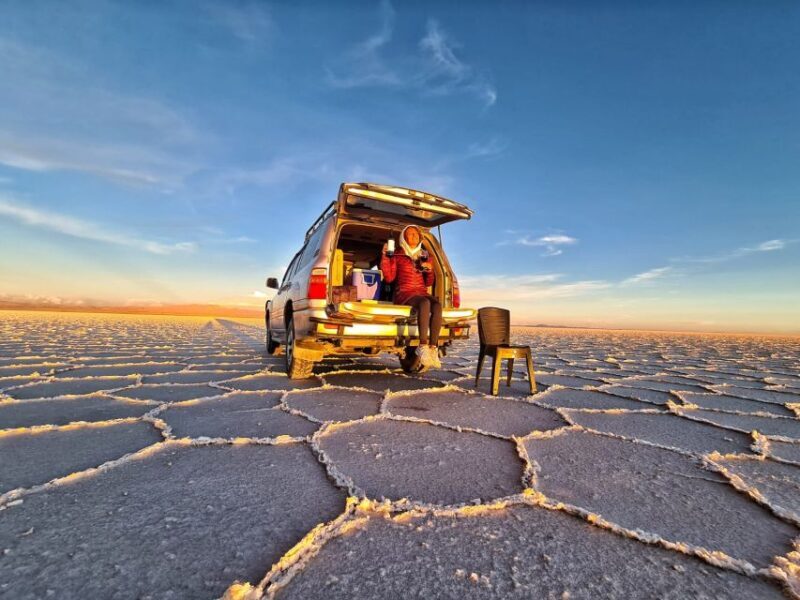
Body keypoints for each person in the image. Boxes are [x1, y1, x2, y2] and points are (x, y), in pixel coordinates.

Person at [380, 225, 442, 369]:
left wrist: (430, 270)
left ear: (420, 237)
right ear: (403, 237)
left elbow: (428, 282)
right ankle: (422, 346)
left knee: (437, 305)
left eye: (415, 234)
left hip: (421, 291)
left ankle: (433, 348)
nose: (413, 236)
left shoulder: (424, 255)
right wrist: (384, 256)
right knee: (425, 303)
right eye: (409, 234)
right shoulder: (397, 255)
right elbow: (389, 278)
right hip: (404, 292)